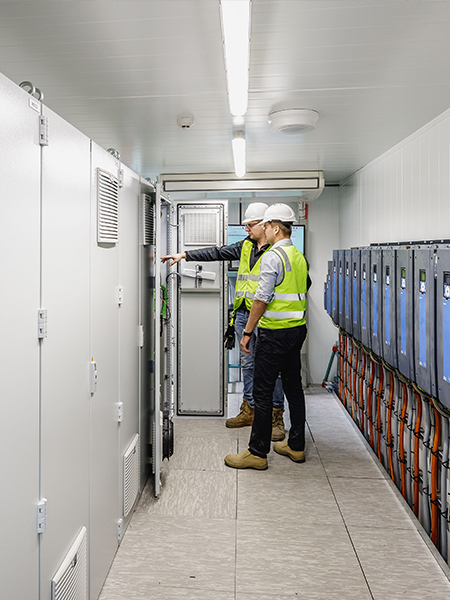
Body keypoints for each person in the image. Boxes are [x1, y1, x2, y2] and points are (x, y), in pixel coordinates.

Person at [161, 202, 286, 441]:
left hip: (268, 317)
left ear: (264, 224)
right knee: (248, 364)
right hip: (243, 315)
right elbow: (217, 252)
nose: (246, 229)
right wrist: (185, 255)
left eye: (250, 225)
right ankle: (249, 409)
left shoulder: (277, 250)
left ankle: (275, 415)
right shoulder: (245, 246)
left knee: (273, 368)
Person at [224, 203, 310, 470]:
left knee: (262, 392)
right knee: (293, 388)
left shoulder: (273, 256)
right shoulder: (297, 256)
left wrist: (247, 331)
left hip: (274, 334)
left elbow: (261, 299)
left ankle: (257, 453)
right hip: (296, 331)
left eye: (266, 225)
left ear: (273, 227)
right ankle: (296, 446)